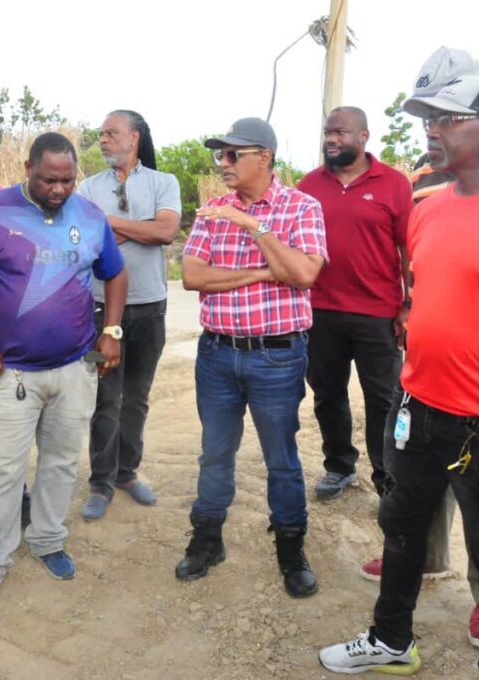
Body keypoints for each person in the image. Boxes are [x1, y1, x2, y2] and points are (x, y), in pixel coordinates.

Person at [319, 74, 479, 679]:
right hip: (420, 404)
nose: (433, 128)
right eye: (430, 117)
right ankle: (392, 638)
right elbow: (424, 296)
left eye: (449, 119)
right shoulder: (428, 207)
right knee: (402, 530)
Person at [0, 132, 127, 608]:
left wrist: (113, 331)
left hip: (74, 368)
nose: (59, 189)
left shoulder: (88, 215)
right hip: (9, 374)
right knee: (3, 471)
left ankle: (47, 539)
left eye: (67, 179)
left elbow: (115, 271)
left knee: (62, 462)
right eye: (49, 179)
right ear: (28, 168)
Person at [177, 117, 327, 598]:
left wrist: (254, 226)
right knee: (214, 453)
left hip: (277, 358)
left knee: (281, 458)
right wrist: (265, 273)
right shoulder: (211, 210)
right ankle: (207, 538)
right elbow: (194, 277)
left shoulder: (302, 207)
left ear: (263, 157)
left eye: (231, 154)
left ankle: (290, 548)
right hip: (217, 353)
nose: (221, 164)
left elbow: (304, 274)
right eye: (220, 155)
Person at [297, 106, 412, 500]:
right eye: (328, 132)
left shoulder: (394, 184)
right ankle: (340, 466)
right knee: (328, 394)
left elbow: (407, 248)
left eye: (341, 132)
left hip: (378, 312)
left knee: (383, 399)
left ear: (363, 136)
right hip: (320, 310)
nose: (332, 139)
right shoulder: (309, 184)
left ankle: (386, 476)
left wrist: (409, 303)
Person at [76, 110, 181, 520]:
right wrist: (140, 227)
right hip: (98, 310)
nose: (102, 139)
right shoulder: (87, 186)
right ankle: (100, 481)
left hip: (151, 307)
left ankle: (127, 472)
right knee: (105, 397)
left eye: (110, 133)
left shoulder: (163, 182)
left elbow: (166, 232)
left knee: (136, 397)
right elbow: (85, 240)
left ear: (133, 137)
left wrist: (109, 224)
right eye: (100, 133)